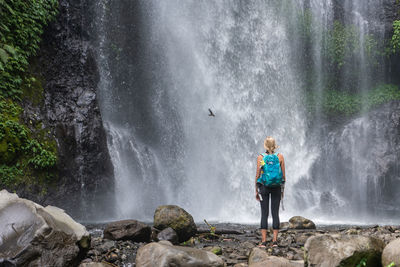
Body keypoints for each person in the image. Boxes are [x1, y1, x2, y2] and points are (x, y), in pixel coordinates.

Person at [255, 136, 286, 248]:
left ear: (265, 145)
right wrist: (282, 190)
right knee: (275, 213)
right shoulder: (280, 156)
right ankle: (275, 241)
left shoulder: (261, 157)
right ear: (275, 145)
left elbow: (258, 175)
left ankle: (263, 241)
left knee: (264, 213)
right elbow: (283, 176)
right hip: (277, 187)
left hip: (264, 187)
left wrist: (256, 190)